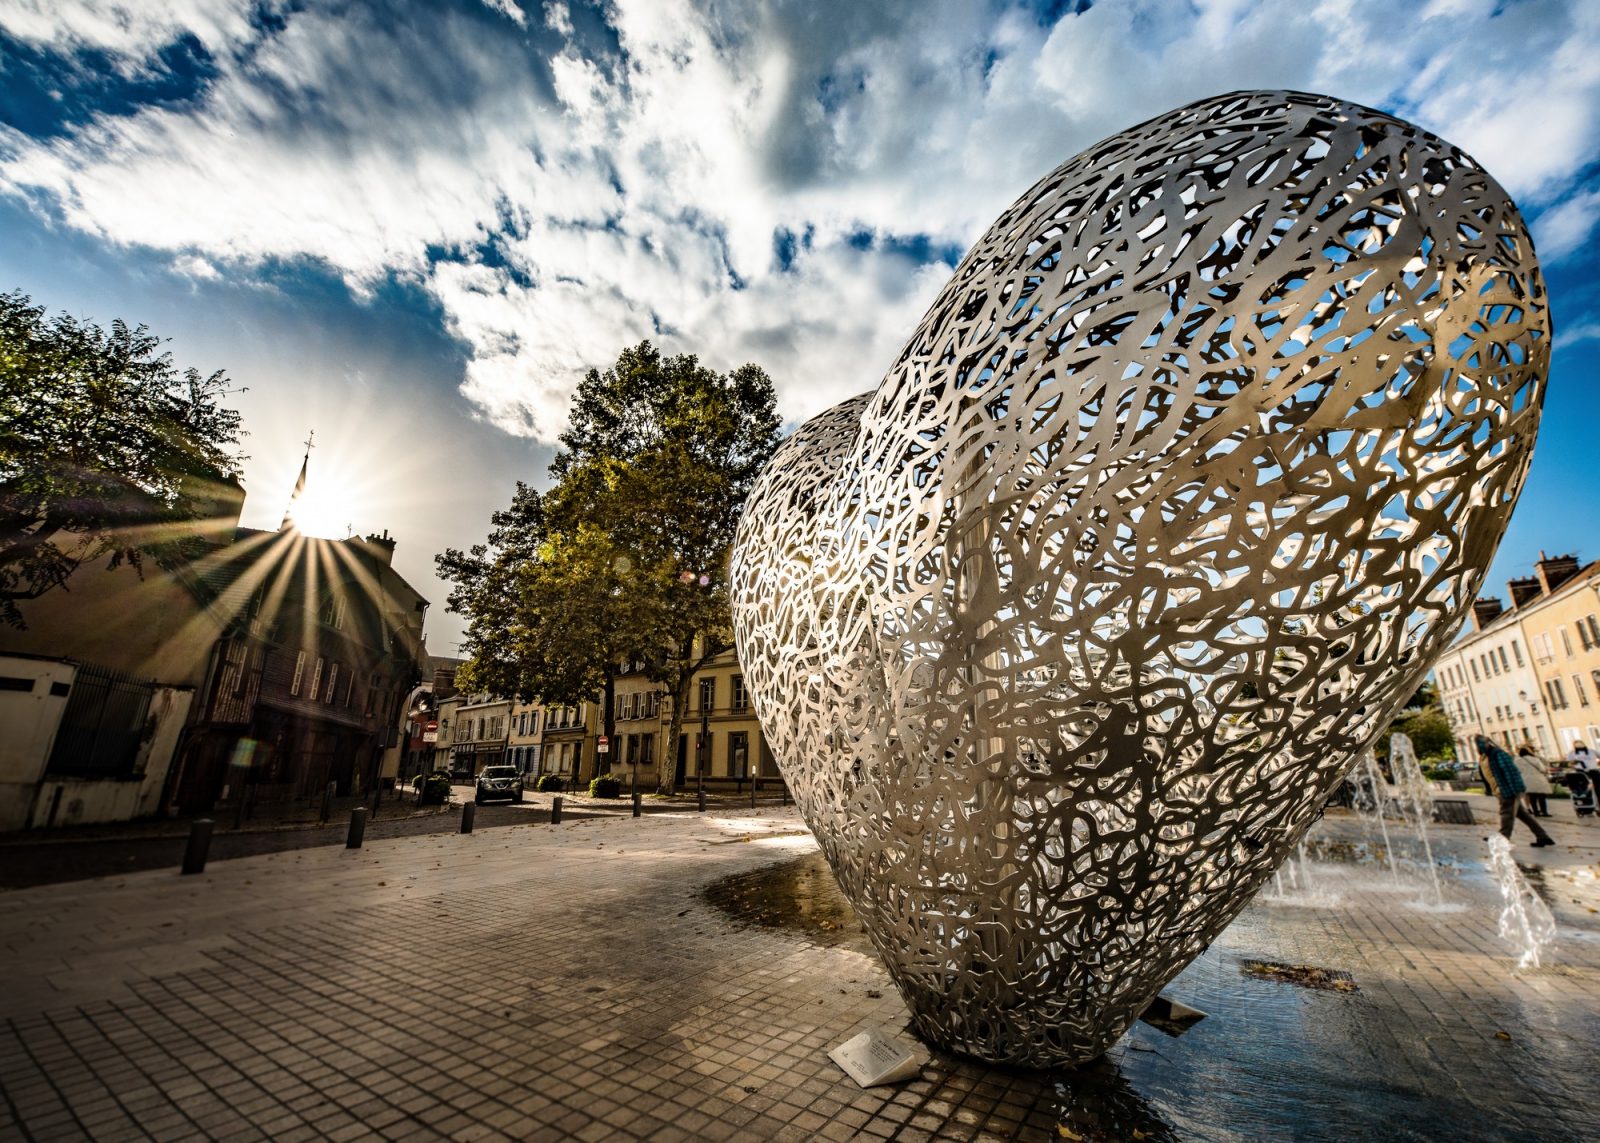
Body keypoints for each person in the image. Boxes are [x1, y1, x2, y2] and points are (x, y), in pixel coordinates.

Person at [1477, 736, 1555, 846]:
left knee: (1506, 814)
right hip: (1499, 789)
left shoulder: (1497, 754)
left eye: (1480, 743)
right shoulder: (1484, 757)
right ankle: (1542, 836)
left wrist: (1515, 789)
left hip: (1507, 789)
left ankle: (1502, 838)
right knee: (1523, 815)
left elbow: (1511, 771)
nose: (1479, 747)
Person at [1514, 745, 1553, 817]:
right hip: (1538, 779)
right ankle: (1544, 812)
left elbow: (1516, 771)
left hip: (1526, 779)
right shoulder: (1535, 759)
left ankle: (1536, 812)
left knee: (1532, 797)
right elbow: (1542, 769)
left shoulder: (1517, 761)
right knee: (1541, 796)